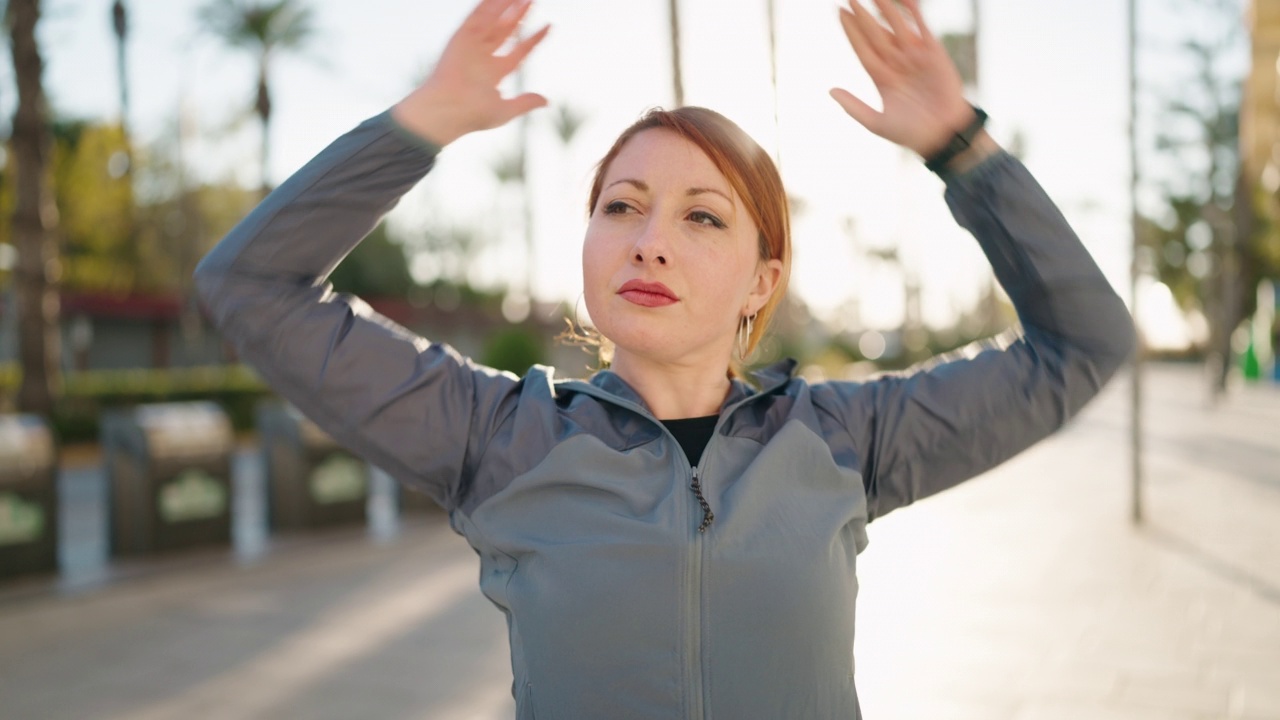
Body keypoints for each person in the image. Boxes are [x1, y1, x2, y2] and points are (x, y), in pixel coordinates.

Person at [193, 0, 1135, 717]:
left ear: (763, 281)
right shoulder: (495, 437)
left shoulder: (850, 437)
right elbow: (249, 284)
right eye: (621, 206)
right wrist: (426, 121)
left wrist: (962, 149)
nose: (649, 242)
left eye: (701, 217)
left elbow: (1086, 341)